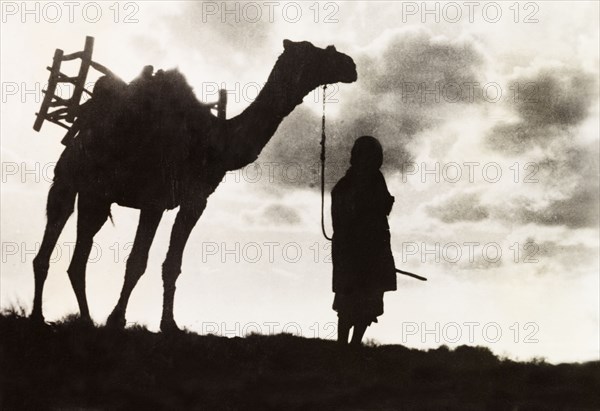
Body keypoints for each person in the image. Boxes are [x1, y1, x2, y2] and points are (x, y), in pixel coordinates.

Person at [331, 136, 397, 346]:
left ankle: (351, 344)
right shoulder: (351, 184)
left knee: (362, 300)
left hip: (369, 251)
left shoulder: (357, 182)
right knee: (352, 300)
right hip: (357, 252)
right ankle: (346, 345)